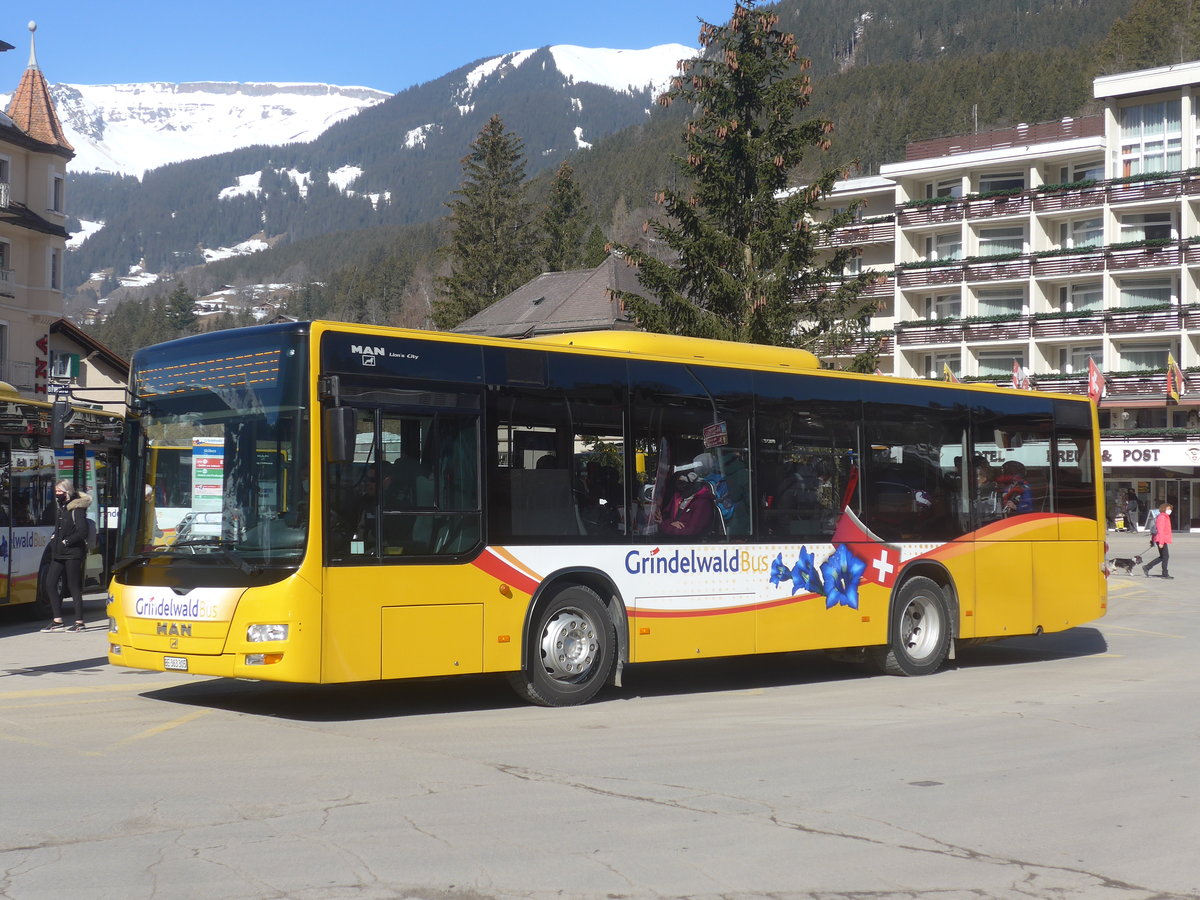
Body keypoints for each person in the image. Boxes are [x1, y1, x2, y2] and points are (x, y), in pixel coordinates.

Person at [40, 479, 91, 633]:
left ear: (67, 491)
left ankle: (79, 622)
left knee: (73, 586)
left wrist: (65, 541)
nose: (57, 494)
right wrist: (55, 536)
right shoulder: (61, 507)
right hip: (59, 552)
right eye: (55, 491)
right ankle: (57, 621)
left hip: (73, 552)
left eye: (59, 492)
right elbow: (61, 527)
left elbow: (83, 531)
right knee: (50, 583)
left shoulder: (77, 508)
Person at [659, 472, 715, 536]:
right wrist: (670, 524)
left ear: (694, 484)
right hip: (671, 539)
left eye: (683, 484)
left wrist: (663, 526)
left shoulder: (703, 504)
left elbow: (689, 532)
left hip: (691, 543)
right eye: (678, 483)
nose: (680, 487)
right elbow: (664, 517)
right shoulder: (678, 497)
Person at [1142, 502, 1174, 578]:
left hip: (1161, 539)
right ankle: (1165, 574)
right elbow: (1161, 530)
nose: (1170, 510)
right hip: (1161, 539)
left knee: (1163, 556)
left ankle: (1147, 567)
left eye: (1170, 509)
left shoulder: (1164, 516)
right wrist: (1161, 542)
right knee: (1165, 556)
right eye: (1168, 509)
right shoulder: (1162, 517)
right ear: (1164, 509)